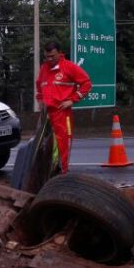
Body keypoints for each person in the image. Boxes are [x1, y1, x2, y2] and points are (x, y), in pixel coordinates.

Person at [35, 41, 91, 174]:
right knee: (42, 144)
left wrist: (72, 100)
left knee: (63, 143)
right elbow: (39, 86)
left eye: (52, 56)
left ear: (60, 54)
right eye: (47, 56)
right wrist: (40, 100)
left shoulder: (69, 67)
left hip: (62, 113)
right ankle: (46, 172)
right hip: (46, 114)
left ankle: (62, 171)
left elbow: (86, 83)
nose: (49, 59)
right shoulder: (44, 68)